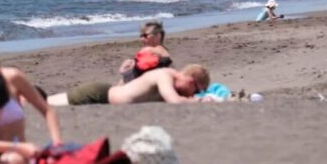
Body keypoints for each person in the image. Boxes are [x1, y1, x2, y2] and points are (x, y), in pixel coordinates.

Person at [47, 65, 210, 106]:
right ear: (190, 81)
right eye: (195, 90)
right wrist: (200, 101)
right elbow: (173, 101)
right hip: (99, 94)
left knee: (44, 102)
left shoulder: (170, 80)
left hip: (105, 96)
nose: (192, 95)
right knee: (44, 103)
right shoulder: (164, 75)